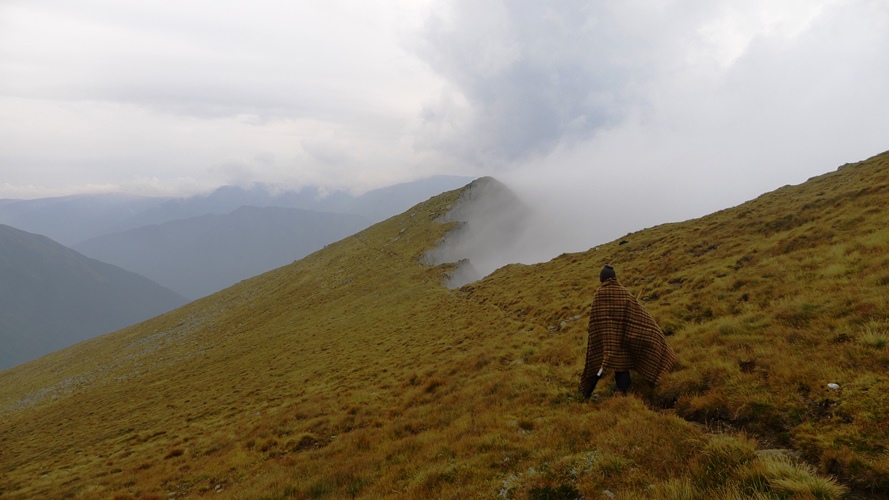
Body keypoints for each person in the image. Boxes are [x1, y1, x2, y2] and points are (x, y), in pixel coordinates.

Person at [579, 264, 676, 398]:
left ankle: (616, 391)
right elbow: (639, 315)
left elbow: (595, 321)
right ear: (614, 278)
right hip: (625, 338)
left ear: (602, 279)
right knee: (622, 361)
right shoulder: (623, 292)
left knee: (619, 363)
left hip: (610, 340)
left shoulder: (599, 294)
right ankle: (622, 390)